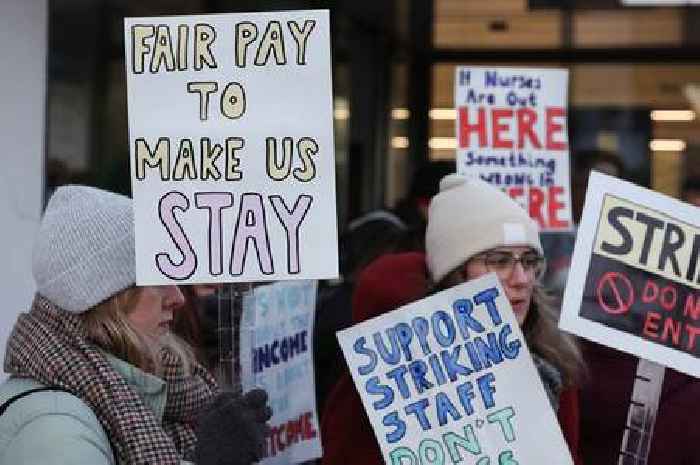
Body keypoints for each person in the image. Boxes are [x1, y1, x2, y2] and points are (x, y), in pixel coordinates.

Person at [321, 174, 585, 464]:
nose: (522, 279)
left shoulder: (553, 364)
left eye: (530, 261)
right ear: (455, 274)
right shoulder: (391, 376)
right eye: (499, 261)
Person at [0, 185, 271, 465]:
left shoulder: (145, 395)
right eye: (157, 279)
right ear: (107, 299)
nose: (177, 297)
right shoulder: (54, 429)